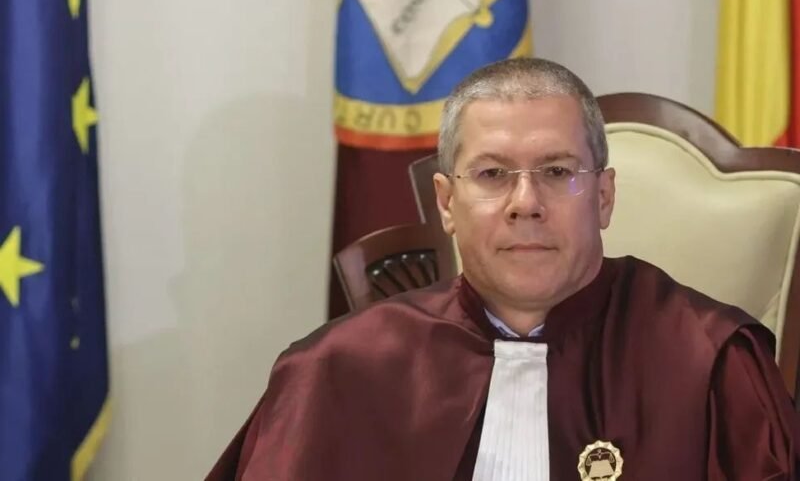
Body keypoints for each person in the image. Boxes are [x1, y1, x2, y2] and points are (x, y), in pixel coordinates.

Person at [206, 57, 800, 480]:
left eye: (557, 171)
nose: (525, 202)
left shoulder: (712, 361)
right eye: (492, 174)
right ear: (447, 203)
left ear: (603, 198)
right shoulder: (338, 369)